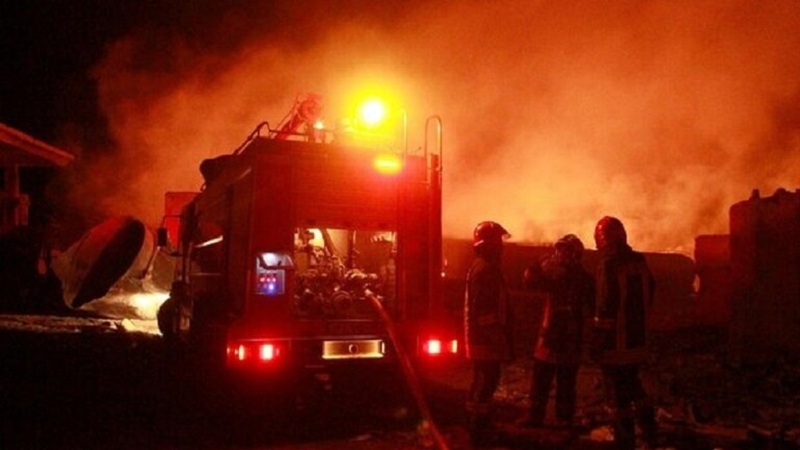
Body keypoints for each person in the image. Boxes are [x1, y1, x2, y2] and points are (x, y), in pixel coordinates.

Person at [590, 216, 658, 450]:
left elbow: (605, 306)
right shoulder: (639, 260)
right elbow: (650, 289)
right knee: (635, 386)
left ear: (602, 239)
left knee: (617, 395)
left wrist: (598, 341)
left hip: (615, 345)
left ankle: (624, 441)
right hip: (638, 341)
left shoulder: (608, 263)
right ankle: (650, 433)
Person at [517, 234, 595, 428]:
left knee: (566, 383)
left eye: (565, 250)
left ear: (575, 254)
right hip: (549, 337)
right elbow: (529, 282)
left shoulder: (585, 280)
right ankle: (534, 416)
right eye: (559, 250)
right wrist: (537, 264)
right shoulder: (553, 275)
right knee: (540, 380)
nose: (560, 254)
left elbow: (591, 309)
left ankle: (564, 419)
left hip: (570, 339)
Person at [464, 221, 513, 446]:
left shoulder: (483, 266)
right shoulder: (486, 269)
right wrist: (497, 337)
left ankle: (477, 425)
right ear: (490, 244)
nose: (502, 247)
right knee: (486, 381)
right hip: (485, 339)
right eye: (498, 242)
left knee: (483, 380)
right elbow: (484, 310)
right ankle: (478, 430)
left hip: (482, 337)